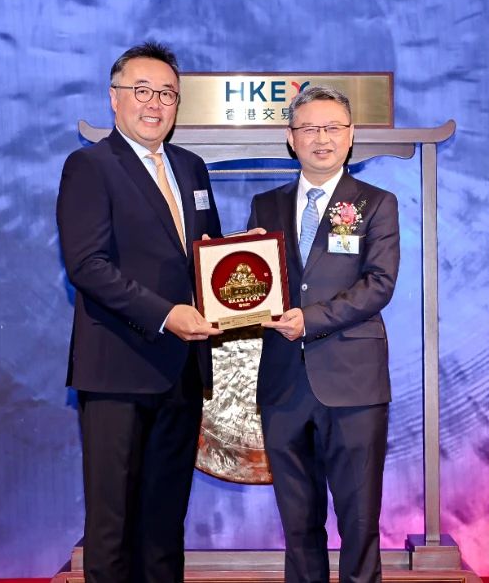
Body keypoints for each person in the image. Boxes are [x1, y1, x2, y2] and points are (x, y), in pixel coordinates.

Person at [56, 41, 221, 583]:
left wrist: (243, 274)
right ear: (114, 97)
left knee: (164, 527)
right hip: (117, 371)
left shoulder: (191, 168)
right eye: (142, 91)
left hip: (182, 373)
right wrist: (166, 314)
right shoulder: (90, 166)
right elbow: (87, 265)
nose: (155, 104)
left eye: (167, 94)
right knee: (113, 529)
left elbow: (207, 257)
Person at [248, 85, 400, 583]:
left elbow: (379, 285)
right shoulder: (265, 205)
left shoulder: (376, 203)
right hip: (283, 384)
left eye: (332, 127)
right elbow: (255, 285)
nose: (321, 138)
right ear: (290, 138)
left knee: (359, 523)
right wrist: (229, 271)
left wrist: (309, 319)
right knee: (298, 527)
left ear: (351, 136)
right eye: (309, 128)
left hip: (353, 385)